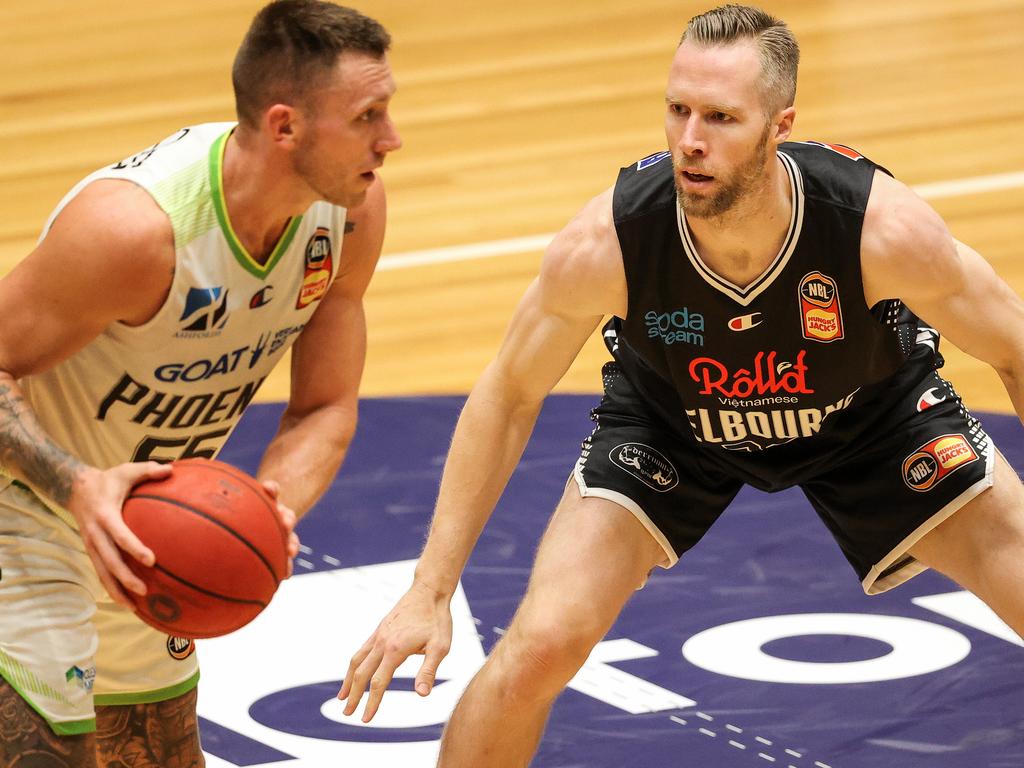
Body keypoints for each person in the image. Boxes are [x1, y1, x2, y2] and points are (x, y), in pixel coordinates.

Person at [339, 4, 1024, 765]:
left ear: (779, 124)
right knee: (538, 648)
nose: (691, 142)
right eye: (678, 110)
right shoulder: (608, 243)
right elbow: (507, 394)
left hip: (871, 416)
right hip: (674, 423)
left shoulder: (879, 232)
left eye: (722, 118)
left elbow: (1017, 349)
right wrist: (431, 590)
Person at [0, 1, 401, 764]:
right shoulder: (134, 234)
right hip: (22, 507)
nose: (391, 139)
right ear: (286, 127)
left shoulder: (347, 215)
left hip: (149, 530)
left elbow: (324, 406)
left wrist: (265, 508)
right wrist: (76, 484)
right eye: (368, 116)